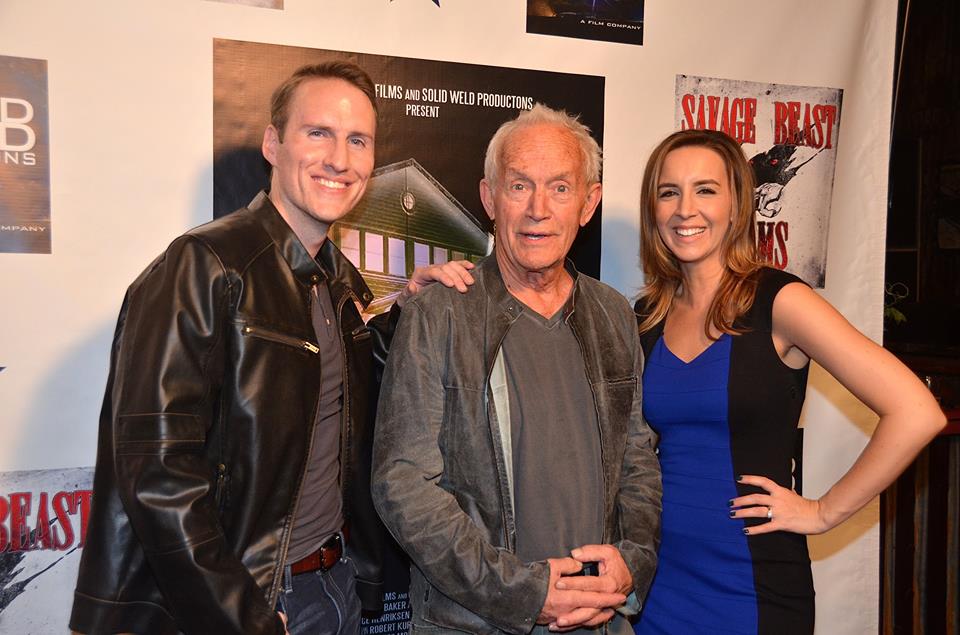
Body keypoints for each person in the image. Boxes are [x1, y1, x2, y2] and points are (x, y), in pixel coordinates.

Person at [68, 61, 474, 635]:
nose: (339, 158)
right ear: (272, 144)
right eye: (318, 134)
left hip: (331, 589)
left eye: (357, 140)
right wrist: (239, 615)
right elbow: (156, 471)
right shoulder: (204, 266)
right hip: (243, 602)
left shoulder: (337, 281)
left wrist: (406, 309)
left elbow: (333, 393)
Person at [631, 128, 946, 634]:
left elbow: (917, 411)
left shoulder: (780, 301)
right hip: (659, 585)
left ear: (737, 205)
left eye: (706, 190)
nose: (685, 208)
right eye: (669, 192)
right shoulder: (646, 317)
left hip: (751, 586)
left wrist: (822, 512)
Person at [371, 104, 662, 634]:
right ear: (489, 198)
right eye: (519, 186)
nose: (538, 210)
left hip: (602, 622)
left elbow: (638, 459)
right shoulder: (439, 313)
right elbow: (402, 484)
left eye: (559, 188)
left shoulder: (615, 314)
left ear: (588, 203)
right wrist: (524, 592)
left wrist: (633, 561)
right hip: (473, 624)